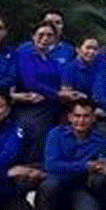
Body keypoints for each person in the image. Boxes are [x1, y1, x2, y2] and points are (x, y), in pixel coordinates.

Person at [35, 99, 106, 210]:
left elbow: (102, 164)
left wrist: (91, 167)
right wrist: (86, 166)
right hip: (59, 183)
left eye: (86, 116)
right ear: (70, 117)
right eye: (77, 116)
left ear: (93, 118)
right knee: (48, 186)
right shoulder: (56, 134)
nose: (81, 120)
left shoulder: (101, 139)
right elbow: (52, 165)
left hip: (83, 184)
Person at [13, 22, 64, 162]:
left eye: (49, 35)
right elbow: (30, 82)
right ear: (33, 36)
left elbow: (58, 83)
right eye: (41, 34)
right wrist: (57, 94)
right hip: (30, 106)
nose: (45, 38)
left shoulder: (52, 60)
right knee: (35, 135)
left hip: (51, 105)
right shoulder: (24, 56)